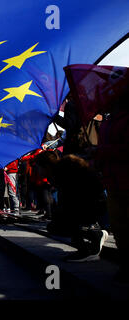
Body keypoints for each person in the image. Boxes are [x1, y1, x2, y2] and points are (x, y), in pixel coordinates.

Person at [35, 151, 108, 262]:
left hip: (95, 204)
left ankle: (87, 251)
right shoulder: (58, 174)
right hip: (89, 203)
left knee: (62, 222)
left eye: (38, 167)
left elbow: (69, 204)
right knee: (58, 223)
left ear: (46, 167)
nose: (37, 171)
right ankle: (95, 235)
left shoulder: (64, 174)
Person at [95, 93, 129, 282]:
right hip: (112, 181)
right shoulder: (108, 122)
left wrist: (103, 152)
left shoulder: (125, 120)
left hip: (125, 179)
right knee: (119, 227)